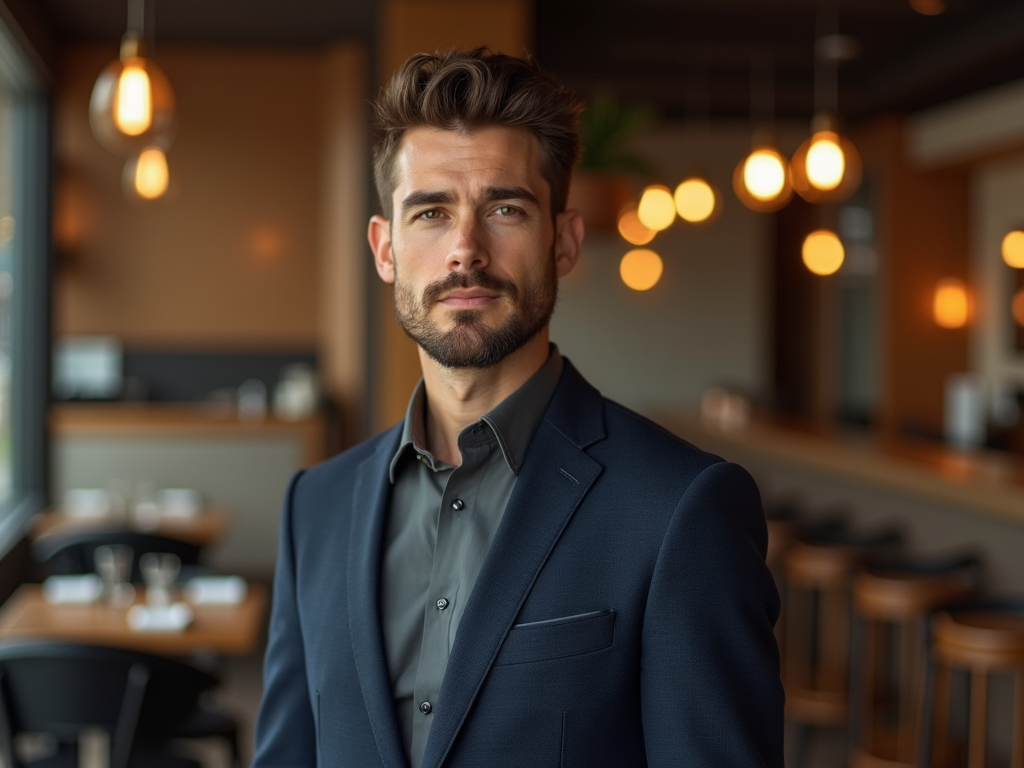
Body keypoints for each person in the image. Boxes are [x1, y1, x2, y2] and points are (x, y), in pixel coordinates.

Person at [253, 48, 783, 768]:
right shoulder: (313, 507)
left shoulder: (680, 508)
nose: (465, 250)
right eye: (431, 212)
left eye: (504, 209)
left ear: (563, 241)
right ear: (386, 249)